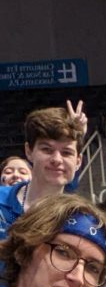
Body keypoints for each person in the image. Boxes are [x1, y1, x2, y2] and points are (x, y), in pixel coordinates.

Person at [0, 101, 87, 238]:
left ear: (78, 162)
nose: (57, 159)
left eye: (66, 153)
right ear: (29, 152)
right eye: (47, 149)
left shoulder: (82, 222)